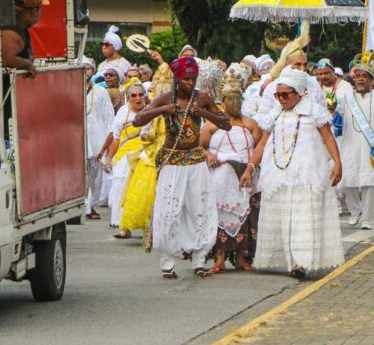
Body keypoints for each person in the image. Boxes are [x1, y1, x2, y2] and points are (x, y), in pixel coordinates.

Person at [239, 66, 344, 279]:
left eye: (285, 94)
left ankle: (301, 262)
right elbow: (262, 144)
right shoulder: (275, 114)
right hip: (279, 176)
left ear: (299, 93)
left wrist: (337, 163)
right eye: (277, 95)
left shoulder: (314, 111)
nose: (281, 99)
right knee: (285, 219)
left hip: (307, 175)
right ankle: (290, 262)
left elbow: (328, 138)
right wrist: (250, 167)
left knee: (301, 220)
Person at [133, 56, 231, 279]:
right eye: (186, 79)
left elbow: (226, 124)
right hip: (172, 162)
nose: (190, 83)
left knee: (200, 210)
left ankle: (199, 260)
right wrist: (162, 109)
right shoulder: (165, 98)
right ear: (177, 79)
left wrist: (204, 113)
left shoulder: (202, 98)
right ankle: (167, 262)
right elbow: (138, 120)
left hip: (196, 162)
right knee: (169, 211)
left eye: (193, 79)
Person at [201, 73, 262, 274]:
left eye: (237, 99)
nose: (234, 103)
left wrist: (251, 167)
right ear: (223, 100)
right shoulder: (212, 124)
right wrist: (209, 155)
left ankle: (242, 258)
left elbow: (259, 148)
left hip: (245, 175)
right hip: (219, 177)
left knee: (246, 214)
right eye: (230, 99)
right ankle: (219, 259)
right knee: (220, 215)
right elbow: (198, 147)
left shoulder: (250, 123)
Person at [337, 52, 374, 230]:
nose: (360, 79)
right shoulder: (346, 98)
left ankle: (367, 218)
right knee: (348, 179)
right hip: (350, 144)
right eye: (357, 76)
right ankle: (354, 211)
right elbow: (337, 119)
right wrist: (332, 111)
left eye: (364, 76)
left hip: (372, 146)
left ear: (372, 80)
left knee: (371, 182)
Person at [119, 72, 172, 237]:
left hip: (172, 151)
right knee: (145, 190)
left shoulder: (177, 109)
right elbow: (143, 132)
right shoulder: (152, 110)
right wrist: (150, 136)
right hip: (152, 154)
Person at [103, 82, 147, 235]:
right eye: (134, 95)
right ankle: (123, 226)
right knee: (121, 185)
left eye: (140, 95)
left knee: (144, 188)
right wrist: (109, 159)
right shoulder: (123, 113)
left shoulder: (152, 111)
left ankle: (148, 228)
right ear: (128, 98)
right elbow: (116, 138)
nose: (138, 98)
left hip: (146, 152)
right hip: (126, 153)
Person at [83, 56, 114, 220]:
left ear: (93, 71)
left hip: (97, 137)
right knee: (80, 174)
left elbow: (109, 116)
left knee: (96, 175)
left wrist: (109, 141)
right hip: (78, 136)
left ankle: (92, 205)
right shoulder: (71, 89)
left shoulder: (101, 92)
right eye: (82, 68)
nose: (84, 71)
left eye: (87, 68)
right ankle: (83, 206)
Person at [1, 0, 50, 77]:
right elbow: (7, 60)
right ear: (34, 11)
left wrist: (28, 61)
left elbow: (30, 54)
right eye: (40, 9)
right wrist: (27, 64)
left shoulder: (20, 27)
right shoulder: (11, 31)